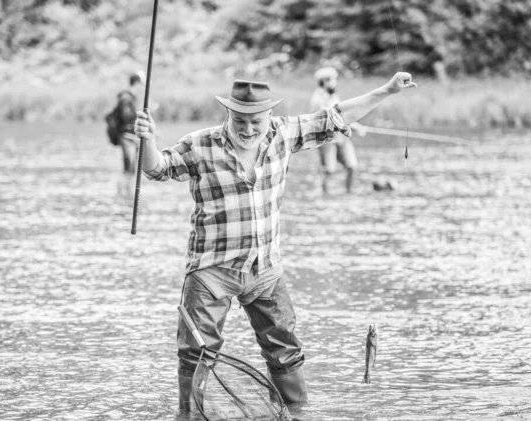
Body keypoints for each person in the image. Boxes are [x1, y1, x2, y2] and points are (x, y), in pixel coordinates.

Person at [134, 73, 417, 411]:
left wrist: (387, 89)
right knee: (195, 352)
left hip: (264, 268)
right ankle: (190, 415)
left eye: (256, 120)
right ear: (228, 114)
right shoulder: (200, 144)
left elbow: (336, 116)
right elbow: (157, 168)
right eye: (240, 120)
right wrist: (147, 140)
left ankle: (295, 413)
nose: (249, 128)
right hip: (212, 269)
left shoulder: (282, 134)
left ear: (268, 116)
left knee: (285, 350)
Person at [310, 66, 367, 194]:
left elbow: (341, 115)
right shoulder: (317, 99)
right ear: (322, 82)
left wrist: (352, 125)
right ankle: (325, 195)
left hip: (341, 138)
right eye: (330, 79)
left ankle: (349, 193)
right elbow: (332, 117)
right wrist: (354, 126)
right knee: (329, 170)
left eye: (334, 79)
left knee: (352, 167)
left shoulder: (334, 96)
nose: (333, 82)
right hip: (326, 140)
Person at [115, 71, 144, 195]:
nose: (141, 88)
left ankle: (127, 196)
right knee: (128, 168)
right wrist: (139, 115)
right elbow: (127, 117)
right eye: (141, 84)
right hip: (127, 137)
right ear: (136, 83)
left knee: (131, 169)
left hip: (131, 136)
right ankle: (122, 194)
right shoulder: (126, 97)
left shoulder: (130, 97)